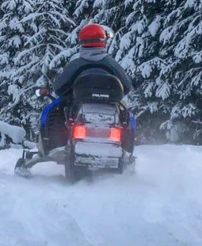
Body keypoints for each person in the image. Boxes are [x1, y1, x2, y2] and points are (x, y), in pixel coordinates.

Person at [40, 23, 134, 152]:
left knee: (59, 111)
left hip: (77, 109)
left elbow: (59, 88)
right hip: (110, 108)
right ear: (103, 41)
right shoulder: (112, 65)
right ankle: (125, 148)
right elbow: (127, 87)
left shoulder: (76, 65)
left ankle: (56, 147)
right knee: (125, 116)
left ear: (81, 42)